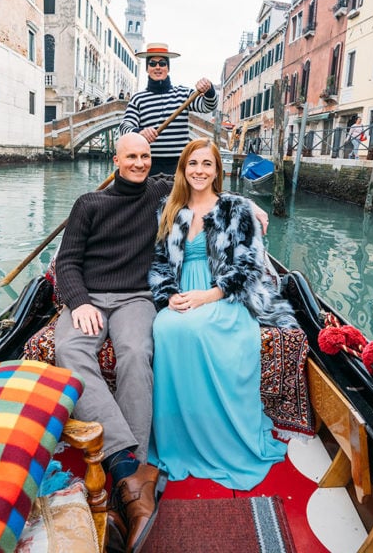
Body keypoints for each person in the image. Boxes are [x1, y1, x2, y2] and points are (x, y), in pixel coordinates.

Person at [54, 133, 268, 551]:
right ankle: (128, 468)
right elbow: (67, 261)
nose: (138, 163)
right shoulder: (88, 204)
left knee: (136, 351)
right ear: (115, 159)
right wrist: (78, 301)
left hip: (135, 296)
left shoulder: (159, 192)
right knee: (68, 351)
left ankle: (127, 473)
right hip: (89, 298)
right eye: (130, 156)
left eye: (145, 157)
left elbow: (204, 178)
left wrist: (250, 204)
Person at [147, 138, 297, 490]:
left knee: (196, 330)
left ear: (218, 171)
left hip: (226, 297)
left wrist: (209, 295)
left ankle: (217, 435)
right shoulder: (168, 208)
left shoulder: (235, 208)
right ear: (183, 169)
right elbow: (157, 263)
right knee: (166, 329)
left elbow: (249, 265)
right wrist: (169, 296)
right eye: (193, 164)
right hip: (182, 293)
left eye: (207, 165)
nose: (199, 171)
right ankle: (177, 439)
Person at [119, 42, 218, 176]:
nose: (158, 67)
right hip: (148, 165)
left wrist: (209, 90)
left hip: (178, 165)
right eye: (153, 64)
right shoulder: (138, 98)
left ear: (168, 68)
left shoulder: (183, 94)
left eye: (162, 63)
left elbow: (208, 106)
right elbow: (125, 127)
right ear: (147, 69)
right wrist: (140, 132)